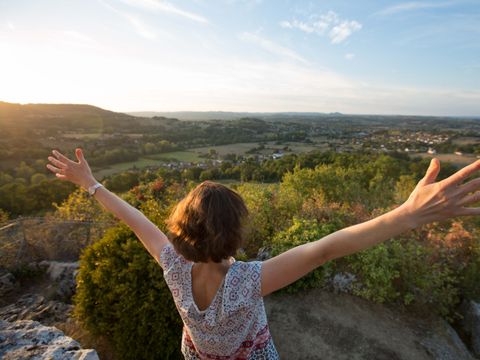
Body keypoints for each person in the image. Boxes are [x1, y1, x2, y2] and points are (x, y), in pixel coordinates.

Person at [47, 148, 480, 359]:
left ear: (181, 230)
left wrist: (89, 183)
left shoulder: (172, 265)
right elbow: (326, 248)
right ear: (235, 233)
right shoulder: (250, 279)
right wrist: (407, 213)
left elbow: (133, 217)